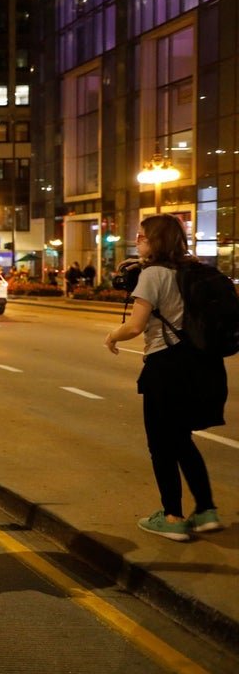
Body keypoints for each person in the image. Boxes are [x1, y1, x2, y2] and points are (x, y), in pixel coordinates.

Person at [105, 214, 223, 541]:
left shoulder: (153, 274)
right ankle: (207, 510)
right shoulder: (193, 271)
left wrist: (112, 336)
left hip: (165, 366)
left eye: (141, 236)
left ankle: (172, 517)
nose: (137, 241)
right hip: (198, 363)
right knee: (182, 438)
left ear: (154, 240)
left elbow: (135, 326)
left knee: (160, 444)